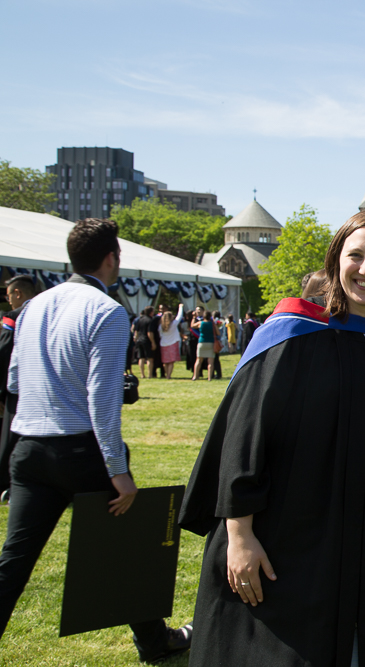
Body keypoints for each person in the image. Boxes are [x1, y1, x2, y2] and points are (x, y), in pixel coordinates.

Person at [179, 209, 365, 666]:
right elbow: (244, 439)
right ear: (335, 260)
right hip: (284, 540)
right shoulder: (290, 334)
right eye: (356, 255)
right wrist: (239, 536)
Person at [0, 219, 192, 663]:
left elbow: (13, 379)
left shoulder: (33, 306)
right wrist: (118, 471)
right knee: (127, 551)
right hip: (82, 448)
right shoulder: (106, 310)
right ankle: (154, 641)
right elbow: (101, 399)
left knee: (14, 561)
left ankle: (154, 639)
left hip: (28, 448)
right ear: (112, 259)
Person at [1, 275, 41, 495]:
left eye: (9, 296)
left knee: (10, 438)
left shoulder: (13, 317)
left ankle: (6, 484)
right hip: (44, 387)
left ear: (18, 293)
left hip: (17, 389)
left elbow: (4, 353)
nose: (8, 302)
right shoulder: (49, 312)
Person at [190, 308, 219, 381]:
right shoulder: (213, 324)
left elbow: (192, 326)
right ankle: (209, 377)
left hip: (201, 342)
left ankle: (195, 376)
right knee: (210, 362)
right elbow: (218, 333)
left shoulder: (200, 323)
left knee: (198, 360)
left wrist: (194, 317)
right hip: (210, 343)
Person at [158, 303, 185, 379]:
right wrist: (180, 307)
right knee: (171, 361)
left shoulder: (161, 326)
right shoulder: (173, 324)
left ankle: (166, 374)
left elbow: (160, 335)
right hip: (172, 343)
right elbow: (179, 316)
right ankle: (169, 375)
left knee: (165, 361)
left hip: (163, 344)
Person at [132, 306, 156, 379]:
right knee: (149, 358)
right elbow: (149, 333)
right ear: (151, 312)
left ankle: (142, 375)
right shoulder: (150, 320)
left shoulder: (140, 319)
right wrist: (153, 342)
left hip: (139, 340)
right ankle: (149, 375)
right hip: (147, 340)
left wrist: (136, 338)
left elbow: (136, 331)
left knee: (141, 358)